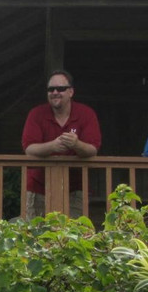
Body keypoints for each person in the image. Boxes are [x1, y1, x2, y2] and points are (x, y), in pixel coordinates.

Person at [21, 70, 101, 218]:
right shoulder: (36, 114)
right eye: (51, 89)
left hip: (75, 189)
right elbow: (29, 149)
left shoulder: (86, 113)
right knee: (35, 238)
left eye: (60, 89)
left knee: (75, 238)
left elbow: (92, 149)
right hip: (38, 189)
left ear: (70, 92)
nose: (55, 92)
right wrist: (53, 146)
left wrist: (76, 144)